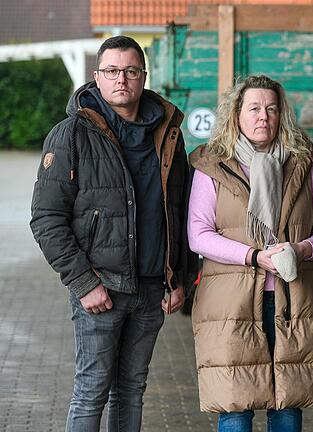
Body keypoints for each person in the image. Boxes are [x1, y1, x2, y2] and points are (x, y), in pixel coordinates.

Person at [29, 35, 196, 430]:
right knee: (92, 391)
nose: (121, 79)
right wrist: (84, 283)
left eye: (130, 70)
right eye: (112, 71)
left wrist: (180, 277)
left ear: (143, 76)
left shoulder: (167, 132)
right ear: (97, 77)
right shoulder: (70, 134)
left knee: (132, 389)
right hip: (100, 291)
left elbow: (182, 209)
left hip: (153, 289)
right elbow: (46, 218)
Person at [187, 74, 313, 432]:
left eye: (271, 108)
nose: (263, 117)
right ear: (236, 114)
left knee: (287, 406)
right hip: (230, 305)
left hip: (293, 302)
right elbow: (198, 235)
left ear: (281, 114)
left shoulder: (303, 165)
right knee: (236, 409)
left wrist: (302, 249)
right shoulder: (214, 166)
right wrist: (254, 256)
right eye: (254, 108)